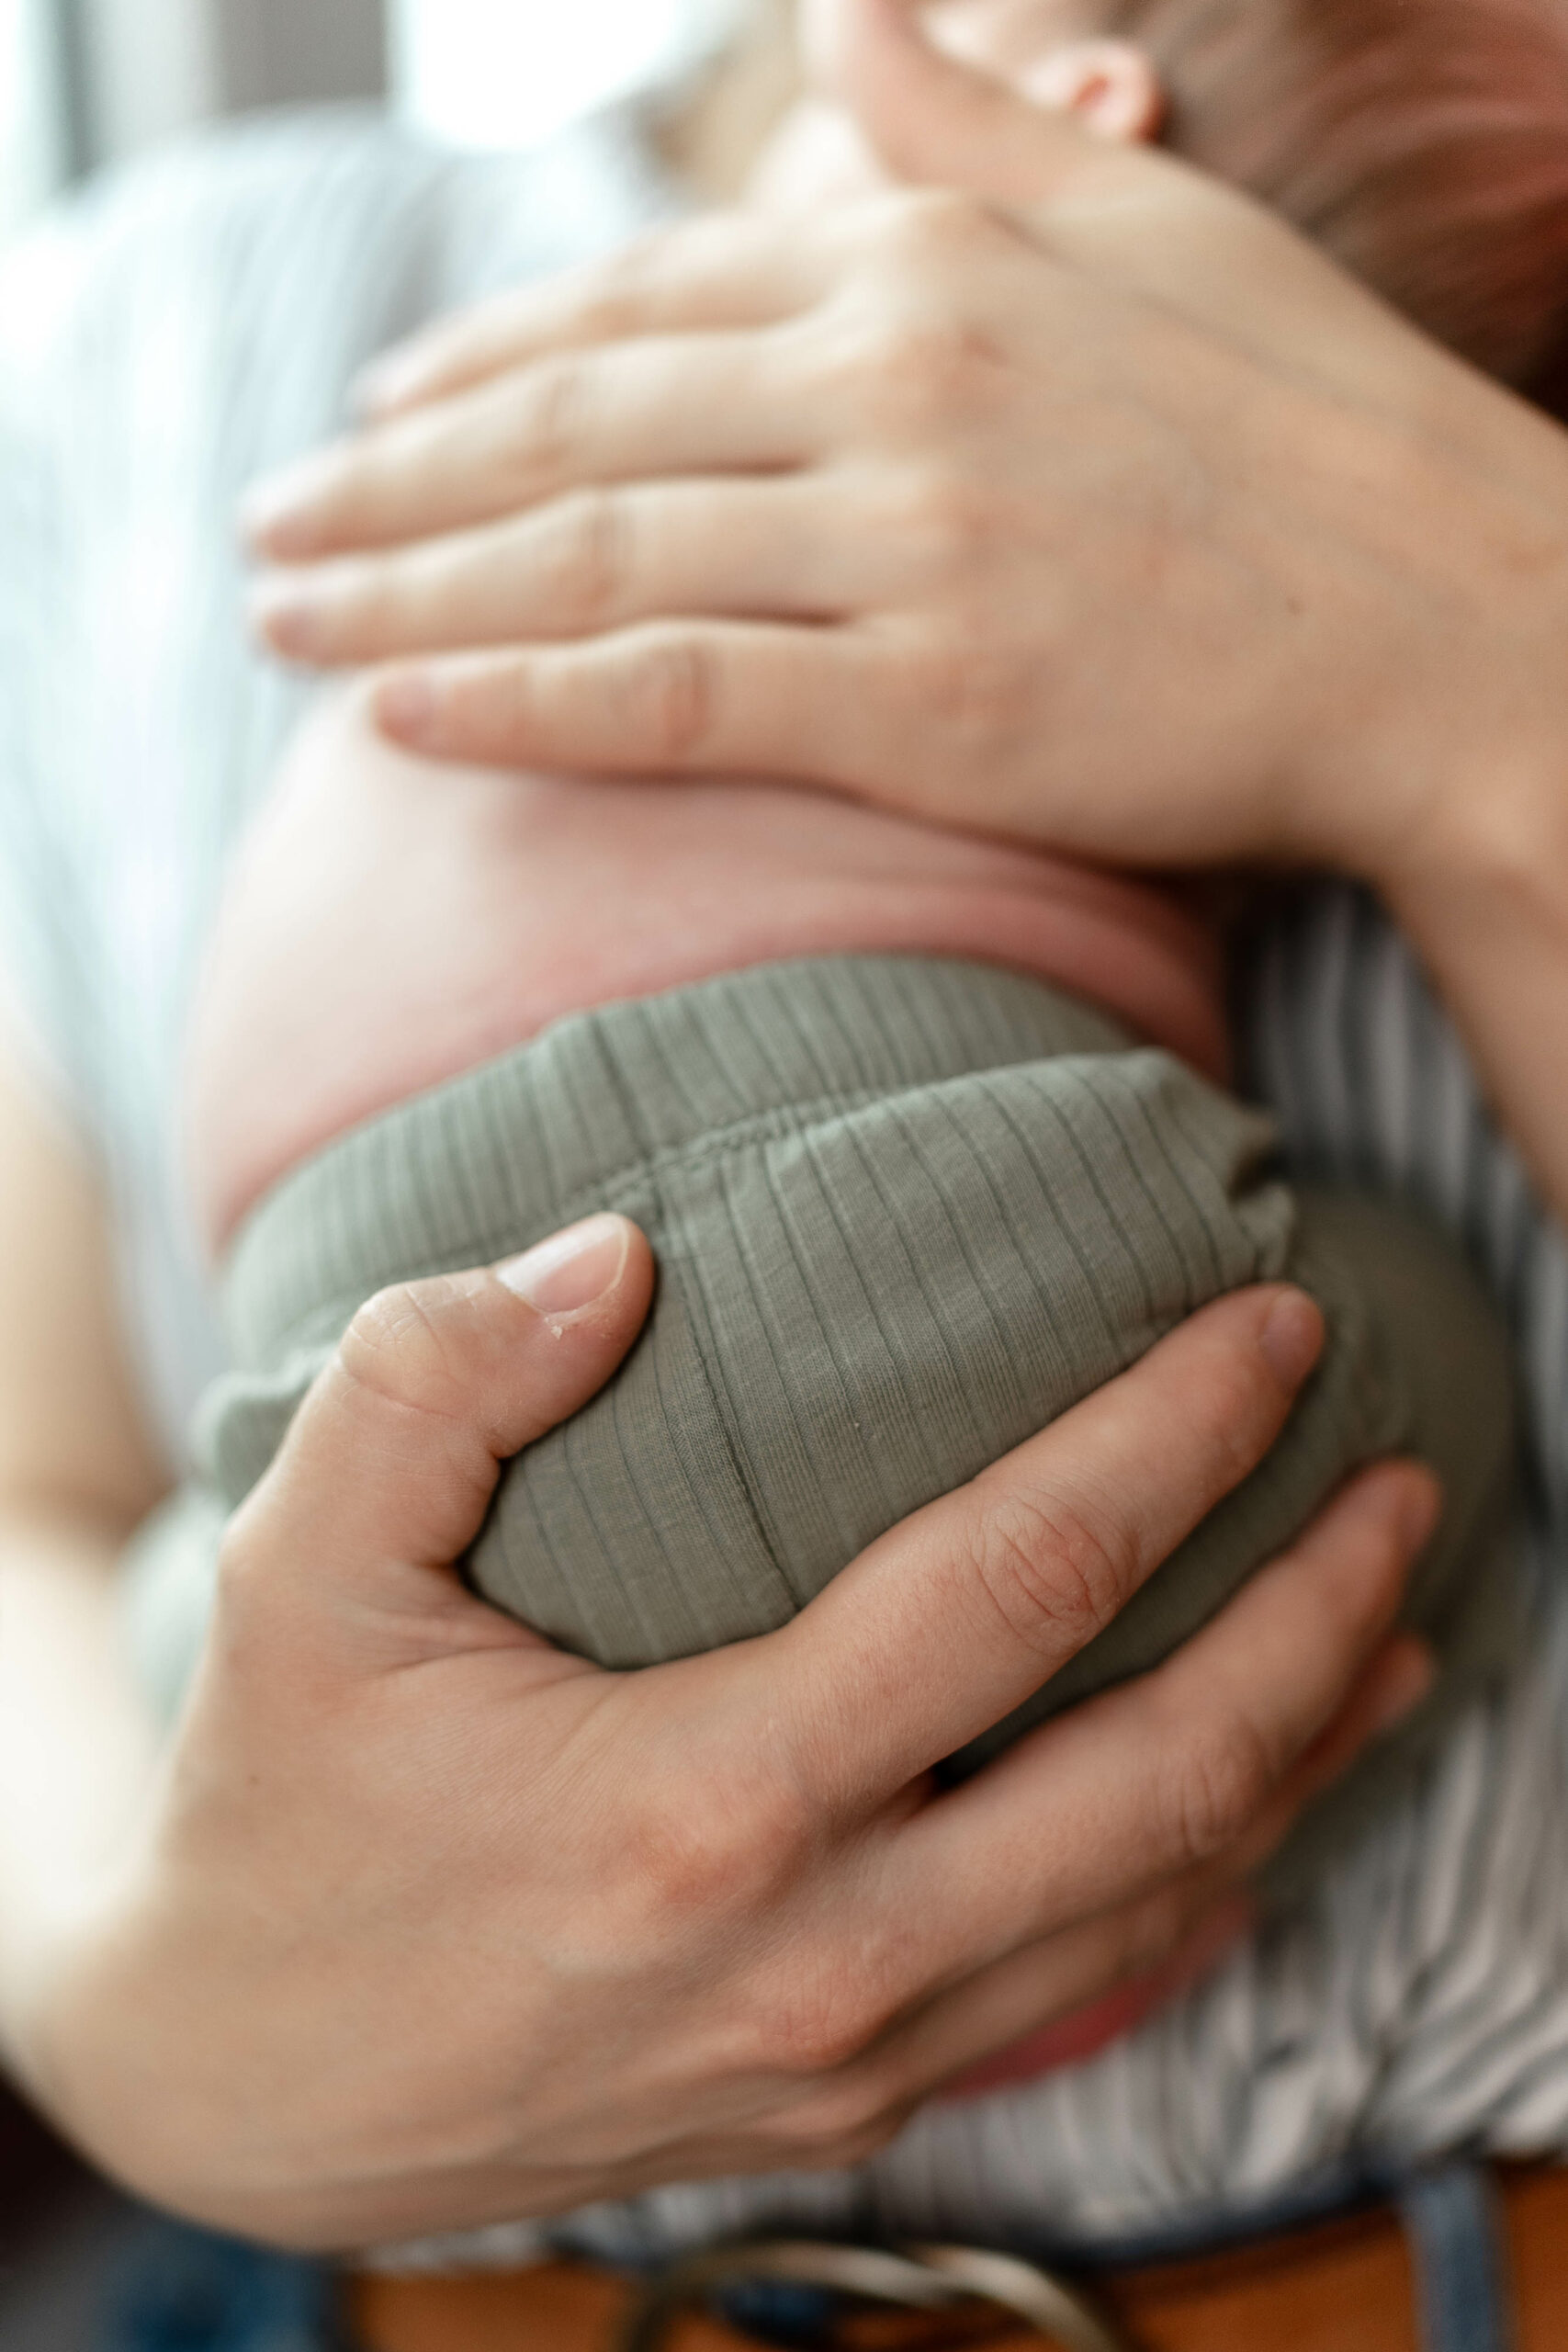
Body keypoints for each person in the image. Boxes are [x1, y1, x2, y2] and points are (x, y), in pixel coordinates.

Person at [0, 0, 1549, 2266]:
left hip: (402, 1369)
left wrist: (1500, 672)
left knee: (193, 1598)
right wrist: (147, 2020)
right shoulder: (134, 334)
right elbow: (22, 1480)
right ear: (1081, 119)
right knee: (1378, 1363)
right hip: (381, 2290)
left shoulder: (287, 400)